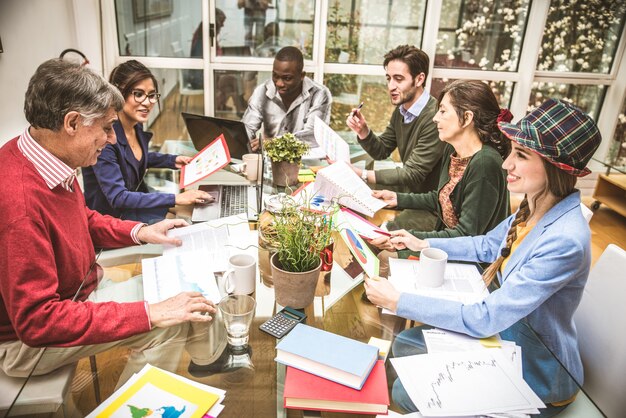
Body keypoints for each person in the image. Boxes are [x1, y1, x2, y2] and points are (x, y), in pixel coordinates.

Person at [364, 99, 602, 416]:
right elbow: (486, 246)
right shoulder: (536, 204)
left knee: (404, 392)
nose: (506, 165)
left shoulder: (566, 240)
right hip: (508, 338)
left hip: (538, 376)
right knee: (405, 344)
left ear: (554, 167)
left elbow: (487, 317)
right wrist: (422, 242)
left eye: (521, 155)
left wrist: (399, 300)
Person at [0, 58, 223, 385]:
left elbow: (83, 217)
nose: (112, 139)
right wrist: (151, 313)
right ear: (73, 123)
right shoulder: (19, 200)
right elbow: (37, 321)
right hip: (26, 343)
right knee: (170, 322)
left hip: (80, 290)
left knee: (192, 296)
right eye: (106, 128)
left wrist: (142, 230)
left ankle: (209, 362)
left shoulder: (47, 156)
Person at [369, 80, 511, 263]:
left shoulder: (484, 164)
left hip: (470, 261)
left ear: (467, 118)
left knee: (384, 257)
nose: (435, 118)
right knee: (379, 241)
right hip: (446, 247)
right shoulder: (451, 150)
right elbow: (442, 198)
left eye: (443, 111)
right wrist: (397, 198)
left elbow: (467, 237)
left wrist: (413, 238)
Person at [82, 60, 212, 223]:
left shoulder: (135, 126)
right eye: (138, 94)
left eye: (151, 95)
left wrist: (171, 160)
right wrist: (176, 198)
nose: (147, 102)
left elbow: (133, 156)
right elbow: (118, 197)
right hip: (112, 219)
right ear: (119, 93)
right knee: (182, 221)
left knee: (197, 212)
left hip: (131, 206)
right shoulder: (106, 138)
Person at [346, 45, 444, 196]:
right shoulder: (401, 110)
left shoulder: (435, 118)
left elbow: (413, 173)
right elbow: (382, 151)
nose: (391, 86)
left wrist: (362, 174)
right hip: (407, 189)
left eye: (398, 79)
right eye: (388, 79)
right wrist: (363, 131)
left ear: (419, 79)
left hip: (426, 201)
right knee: (349, 192)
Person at [242, 46, 332, 150]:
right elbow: (247, 128)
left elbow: (314, 136)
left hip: (306, 162)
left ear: (302, 75)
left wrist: (273, 143)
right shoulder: (262, 91)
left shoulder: (319, 94)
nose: (279, 83)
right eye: (275, 76)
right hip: (270, 162)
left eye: (287, 78)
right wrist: (244, 140)